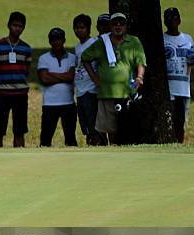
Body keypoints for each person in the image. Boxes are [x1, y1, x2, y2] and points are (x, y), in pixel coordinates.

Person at [81, 13, 146, 144]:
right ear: (110, 26)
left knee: (127, 128)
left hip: (127, 93)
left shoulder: (134, 41)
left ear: (126, 26)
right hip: (107, 93)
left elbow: (140, 61)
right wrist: (94, 77)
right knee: (109, 129)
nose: (118, 26)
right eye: (115, 23)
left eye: (121, 23)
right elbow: (85, 57)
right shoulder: (102, 43)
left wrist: (139, 77)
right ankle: (113, 152)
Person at [0, 12, 33, 148]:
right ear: (8, 25)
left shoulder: (26, 48)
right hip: (3, 93)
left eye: (20, 26)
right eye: (14, 25)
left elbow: (26, 70)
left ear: (23, 28)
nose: (17, 29)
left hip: (20, 93)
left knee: (19, 129)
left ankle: (19, 154)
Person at [37, 28, 77, 147]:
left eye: (58, 39)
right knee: (45, 140)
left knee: (70, 139)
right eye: (53, 40)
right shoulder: (43, 58)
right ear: (49, 41)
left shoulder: (72, 57)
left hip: (68, 104)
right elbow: (44, 79)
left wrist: (51, 74)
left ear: (64, 40)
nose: (56, 42)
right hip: (49, 104)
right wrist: (64, 75)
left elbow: (71, 76)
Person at [163, 7, 194, 143]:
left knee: (180, 121)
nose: (173, 20)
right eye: (169, 18)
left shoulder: (187, 39)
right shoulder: (162, 39)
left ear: (179, 20)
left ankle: (179, 145)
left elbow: (193, 57)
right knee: (168, 121)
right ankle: (170, 144)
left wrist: (192, 60)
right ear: (165, 21)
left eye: (175, 17)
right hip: (168, 87)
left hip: (183, 87)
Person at [73, 14, 106, 146]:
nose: (79, 30)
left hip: (91, 90)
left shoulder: (94, 43)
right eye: (76, 28)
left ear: (89, 28)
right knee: (86, 128)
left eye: (82, 27)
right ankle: (91, 148)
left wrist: (96, 80)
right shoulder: (77, 47)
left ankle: (100, 148)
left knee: (95, 127)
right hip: (80, 91)